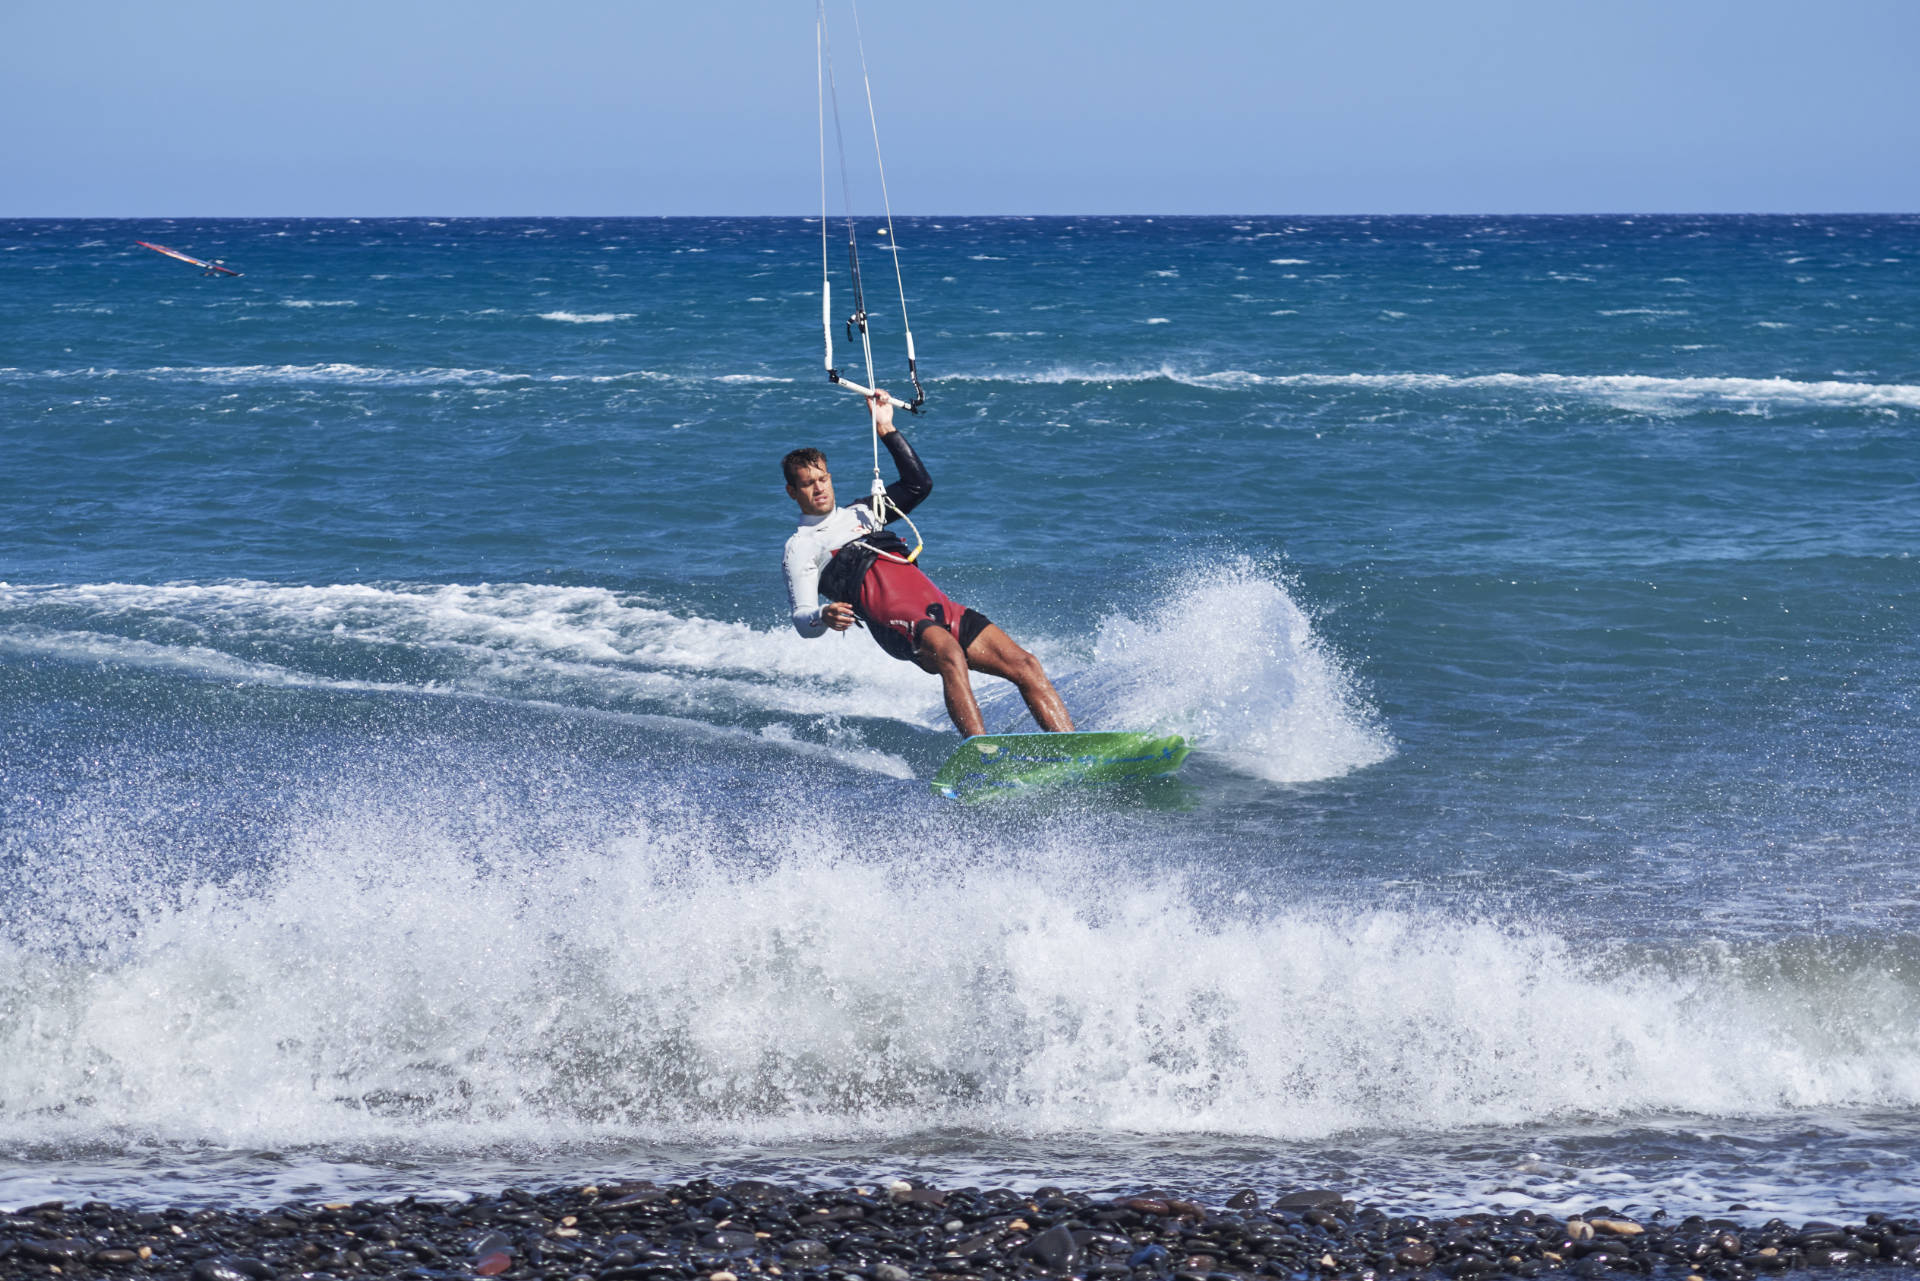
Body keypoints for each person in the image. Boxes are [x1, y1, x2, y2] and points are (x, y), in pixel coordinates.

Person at [782, 389, 1074, 739]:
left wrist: (886, 428)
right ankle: (980, 755)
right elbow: (802, 619)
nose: (819, 489)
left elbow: (918, 485)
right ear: (792, 491)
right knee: (949, 652)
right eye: (808, 484)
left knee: (1026, 664)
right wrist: (823, 617)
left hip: (939, 608)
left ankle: (1071, 749)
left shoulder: (863, 511)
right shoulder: (801, 546)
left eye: (823, 478)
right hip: (896, 625)